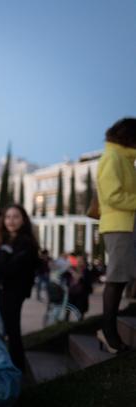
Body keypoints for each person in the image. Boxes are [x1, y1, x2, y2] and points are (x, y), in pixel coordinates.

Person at [96, 117, 136, 353]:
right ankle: (109, 333)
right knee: (117, 278)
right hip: (118, 225)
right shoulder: (113, 158)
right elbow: (112, 196)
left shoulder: (123, 158)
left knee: (122, 277)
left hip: (125, 224)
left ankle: (108, 331)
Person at [0, 204, 39, 371]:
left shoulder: (25, 242)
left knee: (12, 331)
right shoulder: (7, 240)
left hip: (13, 291)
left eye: (15, 217)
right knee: (9, 329)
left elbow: (12, 268)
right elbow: (1, 265)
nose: (11, 221)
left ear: (23, 219)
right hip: (4, 289)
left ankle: (17, 368)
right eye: (8, 217)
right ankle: (14, 365)